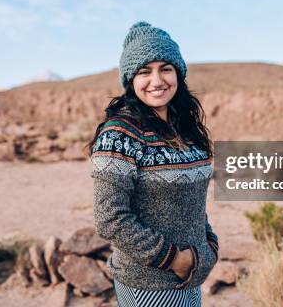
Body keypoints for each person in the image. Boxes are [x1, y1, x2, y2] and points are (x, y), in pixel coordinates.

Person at [87, 22, 219, 306]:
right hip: (148, 284)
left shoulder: (186, 130)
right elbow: (109, 218)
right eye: (144, 71)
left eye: (165, 68)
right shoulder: (120, 134)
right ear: (130, 80)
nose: (157, 80)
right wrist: (175, 260)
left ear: (178, 73)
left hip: (189, 277)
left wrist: (208, 247)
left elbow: (193, 203)